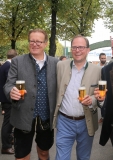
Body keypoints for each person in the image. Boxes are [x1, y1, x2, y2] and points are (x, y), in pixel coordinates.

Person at [4, 28, 58, 160]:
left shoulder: (56, 63)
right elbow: (8, 84)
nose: (35, 44)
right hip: (23, 116)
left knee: (44, 153)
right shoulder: (18, 61)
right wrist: (11, 91)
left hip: (46, 117)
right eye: (32, 41)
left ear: (45, 43)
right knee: (22, 156)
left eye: (39, 41)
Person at [53, 35, 101, 160]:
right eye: (74, 47)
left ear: (88, 49)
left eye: (81, 47)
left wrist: (93, 100)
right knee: (61, 158)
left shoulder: (98, 70)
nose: (77, 50)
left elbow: (101, 95)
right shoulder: (60, 66)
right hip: (64, 121)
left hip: (87, 121)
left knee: (83, 157)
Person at [0, 49, 17, 154]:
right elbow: (10, 83)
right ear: (15, 57)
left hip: (4, 99)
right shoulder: (10, 67)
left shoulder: (3, 66)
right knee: (8, 123)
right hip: (8, 99)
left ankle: (9, 141)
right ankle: (6, 146)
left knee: (9, 122)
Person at [97, 52, 107, 123]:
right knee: (101, 102)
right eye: (102, 58)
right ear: (99, 58)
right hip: (100, 87)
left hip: (107, 87)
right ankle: (103, 117)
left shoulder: (108, 66)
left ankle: (106, 117)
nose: (103, 59)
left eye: (104, 58)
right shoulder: (97, 67)